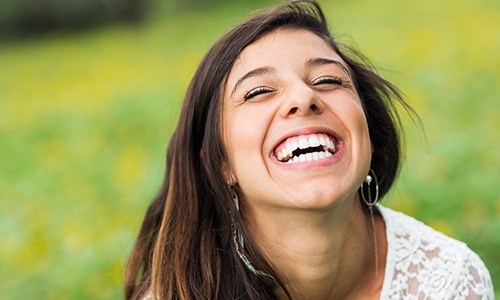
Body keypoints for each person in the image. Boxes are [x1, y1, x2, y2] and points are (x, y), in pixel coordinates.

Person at [124, 1, 494, 299]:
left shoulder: (449, 280)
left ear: (369, 131)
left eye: (328, 80)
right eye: (259, 91)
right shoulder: (177, 294)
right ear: (221, 164)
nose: (304, 97)